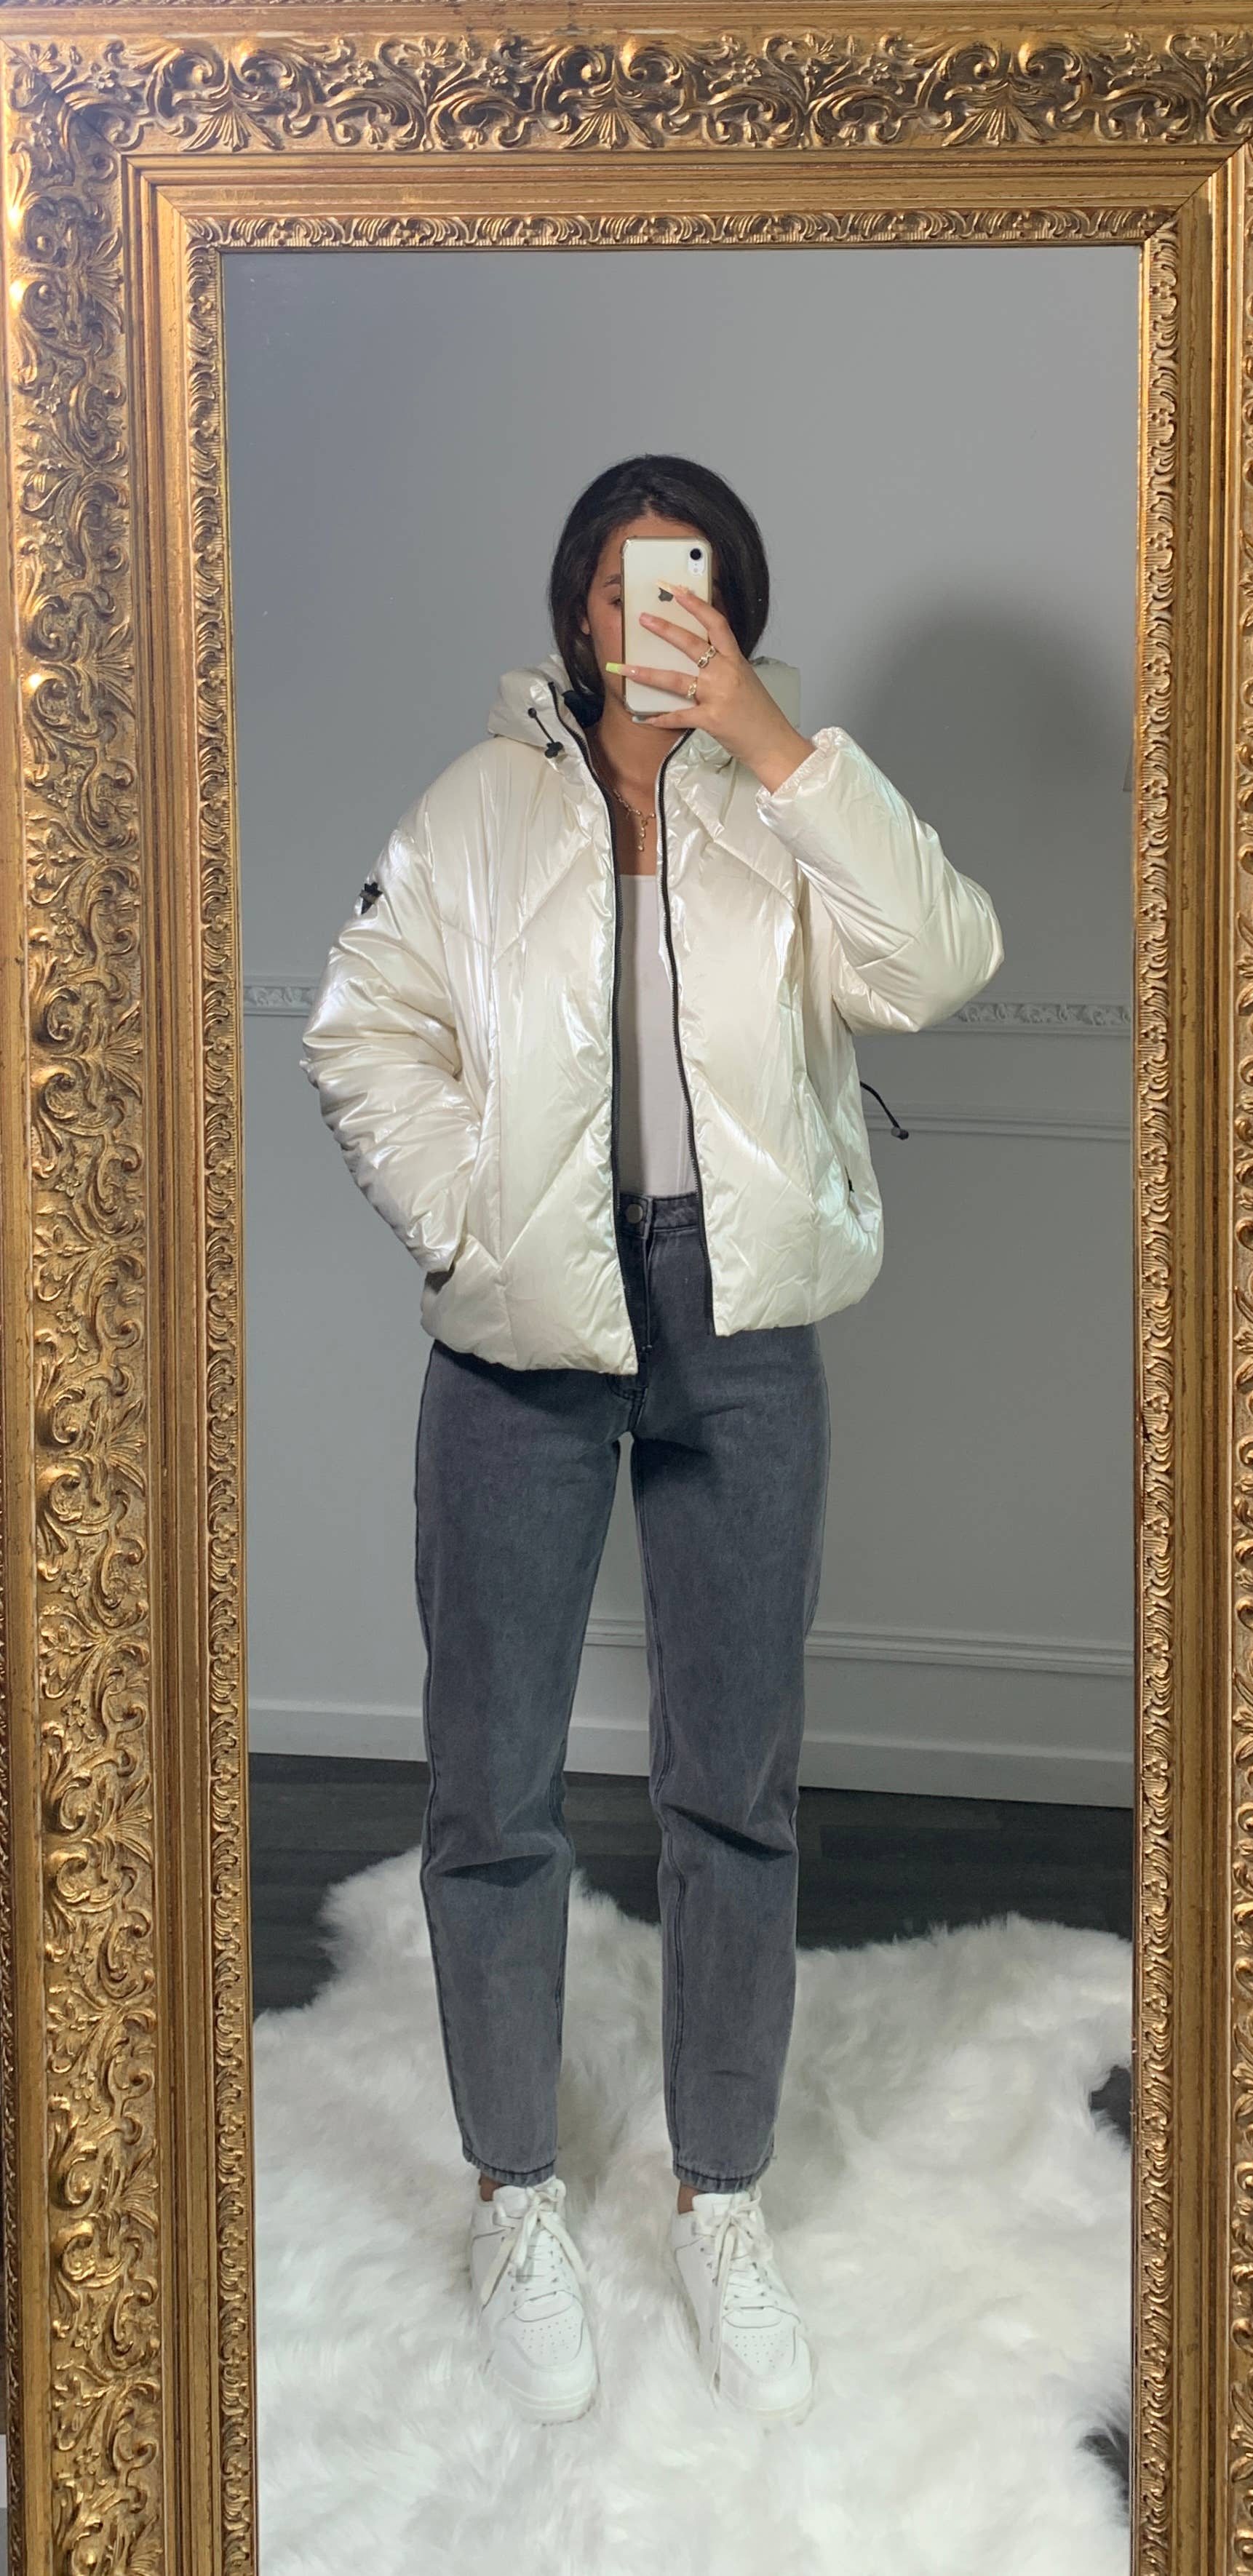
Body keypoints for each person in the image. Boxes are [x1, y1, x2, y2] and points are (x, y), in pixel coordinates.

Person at [301, 453, 1005, 2429]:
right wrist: (465, 1220)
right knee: (491, 1786)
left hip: (742, 1317)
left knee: (736, 1782)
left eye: (680, 587)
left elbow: (943, 961)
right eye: (618, 588)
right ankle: (515, 2192)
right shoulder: (475, 807)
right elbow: (360, 1028)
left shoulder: (787, 805)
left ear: (730, 607)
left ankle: (722, 2193)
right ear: (571, 610)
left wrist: (771, 740)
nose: (646, 619)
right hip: (521, 1326)